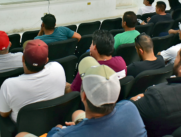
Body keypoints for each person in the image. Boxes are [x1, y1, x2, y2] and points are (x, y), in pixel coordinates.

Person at [17, 57, 147, 137]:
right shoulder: (130, 108)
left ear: (83, 96)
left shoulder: (65, 135)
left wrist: (58, 128)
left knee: (21, 135)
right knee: (78, 113)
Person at [0, 39, 66, 130]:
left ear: (23, 58)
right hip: (52, 122)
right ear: (46, 60)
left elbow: (3, 114)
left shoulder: (9, 85)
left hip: (23, 130)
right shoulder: (58, 67)